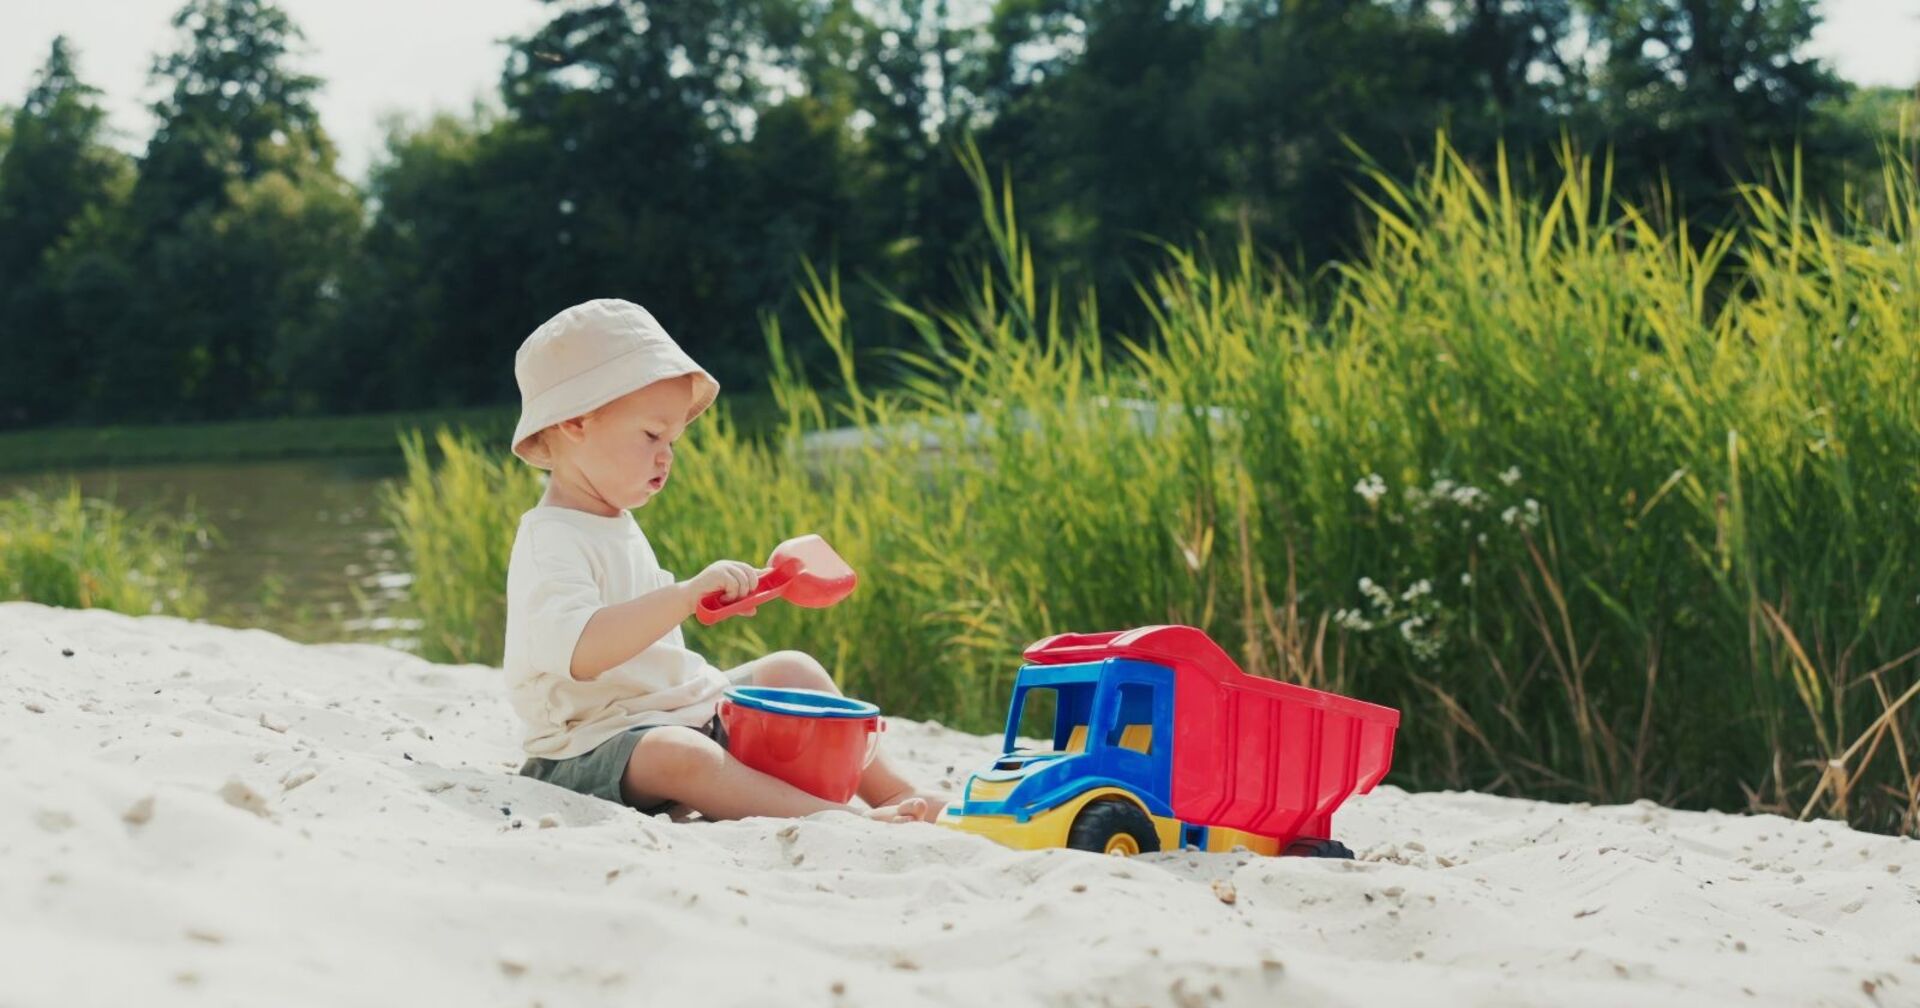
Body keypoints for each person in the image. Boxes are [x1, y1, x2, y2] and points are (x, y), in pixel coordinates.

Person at [502, 298, 943, 823]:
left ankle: (893, 790)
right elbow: (584, 652)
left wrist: (724, 595)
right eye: (650, 436)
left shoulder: (613, 520)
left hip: (678, 709)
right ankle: (831, 818)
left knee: (790, 669)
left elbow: (650, 640)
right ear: (576, 422)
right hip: (592, 745)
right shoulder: (550, 540)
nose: (667, 455)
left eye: (672, 439)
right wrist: (684, 596)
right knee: (679, 756)